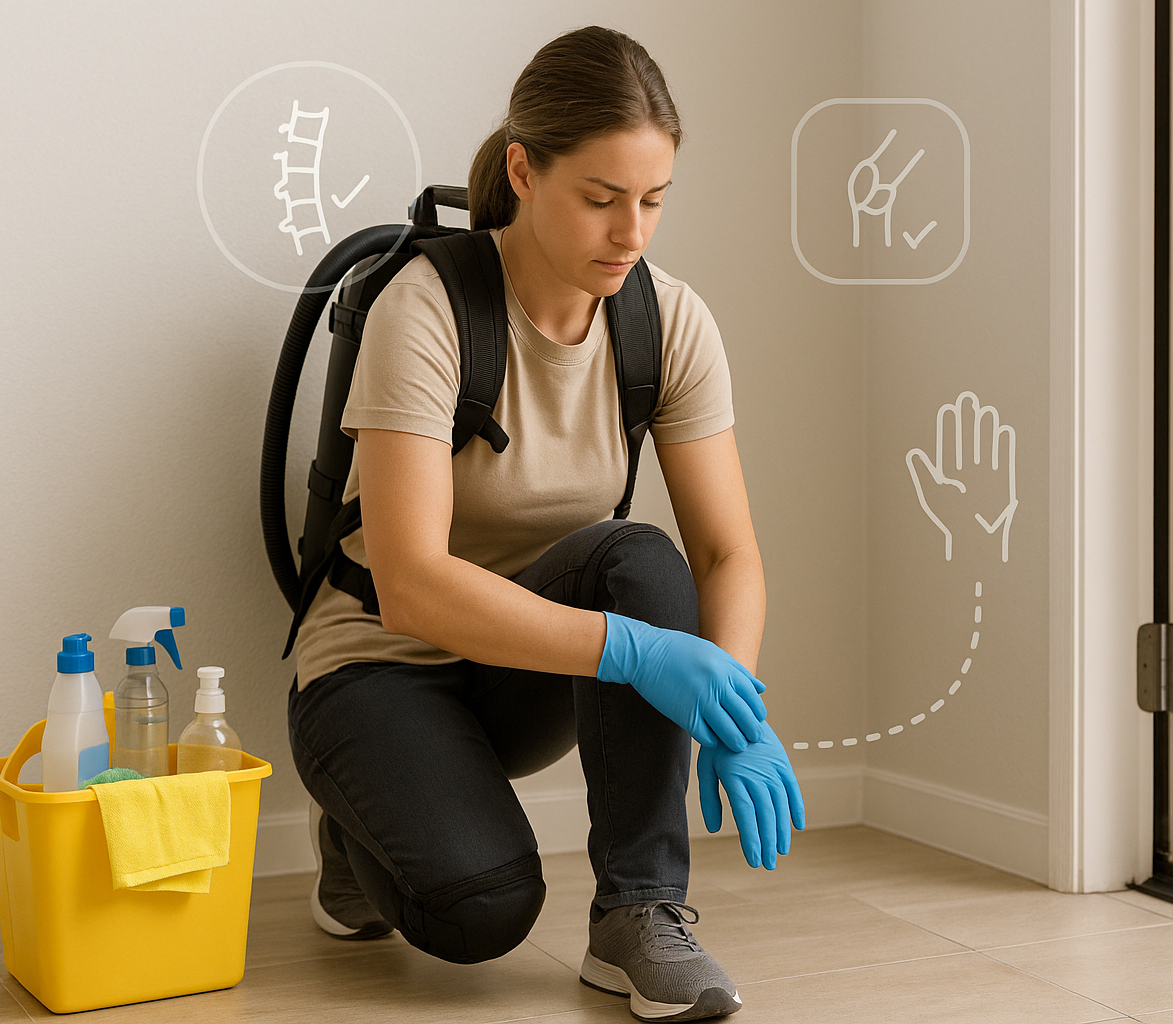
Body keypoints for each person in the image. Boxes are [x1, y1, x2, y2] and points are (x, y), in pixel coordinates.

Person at [285, 25, 804, 1023]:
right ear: (523, 171)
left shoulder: (669, 323)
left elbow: (727, 553)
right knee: (483, 909)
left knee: (645, 560)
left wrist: (734, 704)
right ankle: (355, 835)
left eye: (653, 200)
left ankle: (640, 916)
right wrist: (639, 653)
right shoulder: (428, 307)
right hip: (376, 663)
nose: (632, 231)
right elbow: (410, 581)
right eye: (601, 199)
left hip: (523, 663)